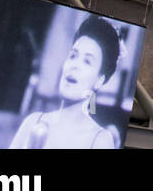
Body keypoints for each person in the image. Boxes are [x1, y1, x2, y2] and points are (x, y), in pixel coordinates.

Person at [9, 16, 123, 149]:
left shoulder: (99, 140)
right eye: (73, 56)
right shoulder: (33, 122)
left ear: (99, 80)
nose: (74, 65)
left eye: (87, 61)